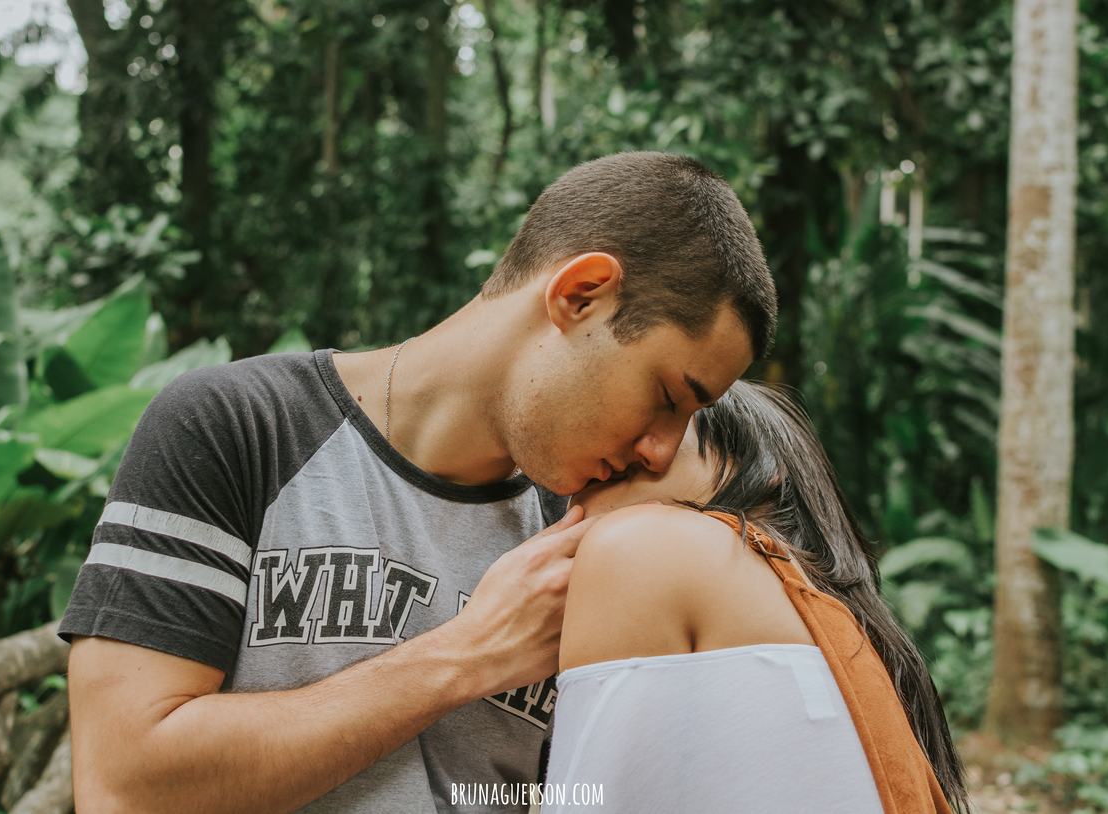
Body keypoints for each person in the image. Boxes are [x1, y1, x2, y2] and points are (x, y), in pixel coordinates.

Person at [59, 152, 779, 813]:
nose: (660, 451)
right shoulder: (236, 426)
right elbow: (122, 785)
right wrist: (469, 654)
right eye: (667, 397)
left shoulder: (594, 532)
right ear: (581, 295)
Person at [544, 381, 970, 813]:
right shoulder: (830, 628)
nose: (626, 446)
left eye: (675, 412)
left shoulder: (645, 543)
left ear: (761, 467)